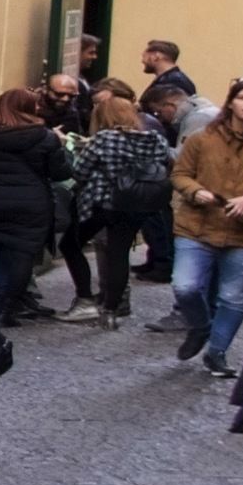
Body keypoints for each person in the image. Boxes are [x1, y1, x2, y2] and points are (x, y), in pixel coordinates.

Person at [174, 77, 243, 377]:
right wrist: (194, 190)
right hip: (197, 225)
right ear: (231, 103)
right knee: (185, 286)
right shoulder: (202, 138)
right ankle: (200, 327)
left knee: (232, 296)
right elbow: (180, 173)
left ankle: (217, 352)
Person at [0, 84, 73, 324]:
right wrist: (60, 147)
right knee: (21, 258)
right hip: (31, 206)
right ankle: (4, 309)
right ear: (31, 108)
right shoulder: (46, 137)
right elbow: (60, 173)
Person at [68, 83, 174, 331]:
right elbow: (164, 165)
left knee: (70, 244)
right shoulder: (155, 139)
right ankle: (111, 311)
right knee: (119, 254)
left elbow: (80, 171)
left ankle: (86, 298)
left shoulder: (104, 138)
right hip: (137, 204)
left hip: (105, 203)